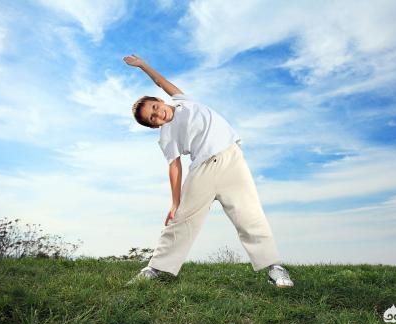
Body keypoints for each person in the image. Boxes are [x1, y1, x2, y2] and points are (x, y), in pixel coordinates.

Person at [123, 54, 294, 288]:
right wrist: (175, 203)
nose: (157, 114)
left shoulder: (184, 101)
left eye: (155, 107)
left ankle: (275, 267)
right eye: (152, 118)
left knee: (250, 214)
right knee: (181, 219)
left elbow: (161, 81)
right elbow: (174, 167)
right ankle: (155, 269)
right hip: (202, 171)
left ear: (160, 100)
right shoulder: (167, 136)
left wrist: (143, 65)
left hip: (232, 160)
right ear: (154, 125)